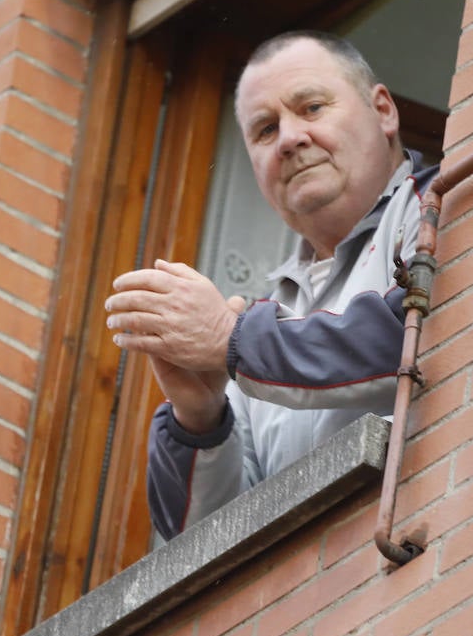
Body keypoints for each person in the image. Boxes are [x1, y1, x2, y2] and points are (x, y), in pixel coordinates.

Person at [104, 31, 437, 540]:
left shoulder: (441, 204)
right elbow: (200, 547)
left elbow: (416, 337)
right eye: (265, 130)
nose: (290, 138)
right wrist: (200, 417)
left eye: (312, 108)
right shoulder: (268, 313)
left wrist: (230, 342)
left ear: (383, 111)